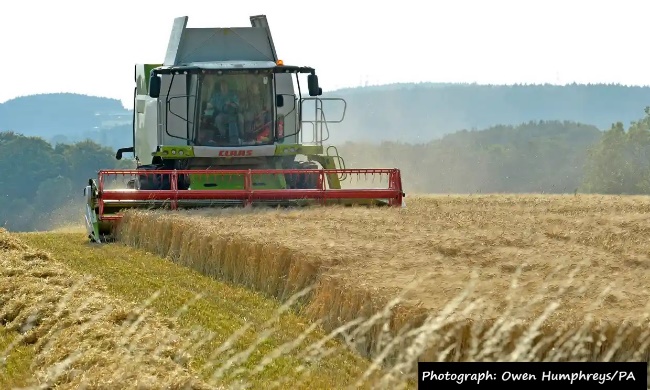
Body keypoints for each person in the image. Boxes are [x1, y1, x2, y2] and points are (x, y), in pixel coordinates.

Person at [202, 80, 244, 144]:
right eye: (222, 85)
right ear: (220, 87)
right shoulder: (216, 95)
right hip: (223, 114)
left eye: (225, 85)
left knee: (241, 119)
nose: (223, 87)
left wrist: (230, 103)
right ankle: (224, 136)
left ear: (228, 86)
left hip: (234, 113)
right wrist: (203, 106)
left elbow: (237, 105)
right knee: (218, 119)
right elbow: (210, 104)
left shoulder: (233, 95)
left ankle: (242, 136)